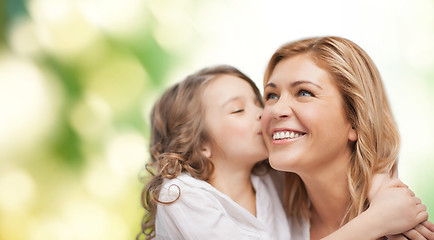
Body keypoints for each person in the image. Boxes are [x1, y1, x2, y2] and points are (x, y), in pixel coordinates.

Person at [137, 64, 429, 240]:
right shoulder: (182, 195)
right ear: (200, 143)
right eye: (239, 110)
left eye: (260, 102)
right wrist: (377, 220)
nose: (265, 114)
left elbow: (344, 157)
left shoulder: (271, 180)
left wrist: (379, 188)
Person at [261, 36, 434, 239]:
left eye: (304, 93)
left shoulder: (404, 229)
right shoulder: (262, 212)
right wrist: (376, 221)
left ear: (355, 120)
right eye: (271, 96)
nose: (276, 110)